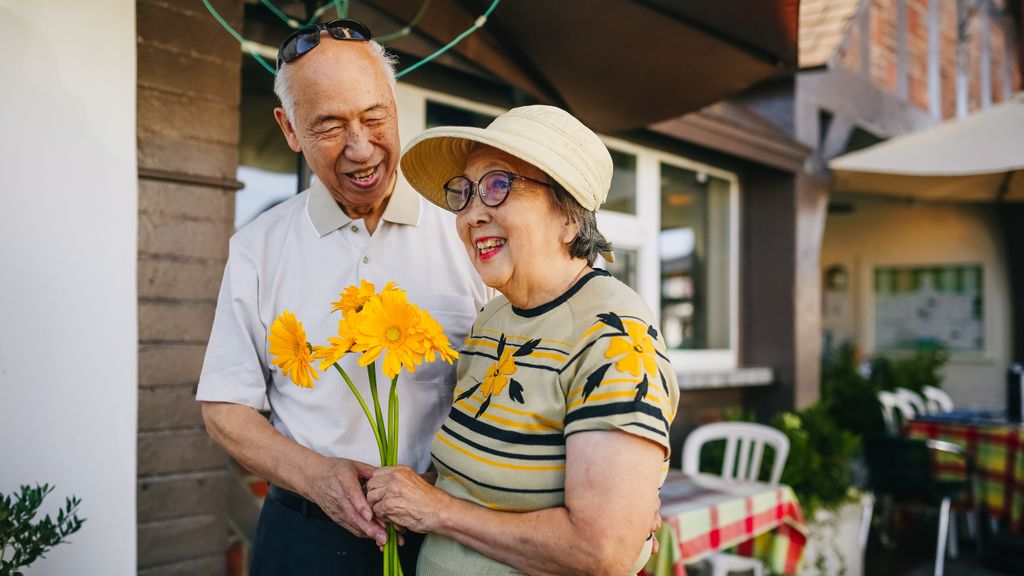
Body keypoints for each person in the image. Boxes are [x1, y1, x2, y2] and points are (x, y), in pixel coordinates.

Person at [195, 19, 488, 575]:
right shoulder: (258, 247)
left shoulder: (467, 229)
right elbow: (224, 409)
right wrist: (316, 475)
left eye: (375, 117)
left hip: (448, 537)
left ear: (395, 105)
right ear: (289, 128)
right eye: (329, 126)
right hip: (304, 535)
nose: (361, 149)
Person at [366, 105, 680, 575]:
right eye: (465, 192)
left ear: (569, 218)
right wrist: (406, 489)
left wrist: (435, 510)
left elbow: (601, 552)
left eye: (498, 185)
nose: (472, 214)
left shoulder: (614, 335)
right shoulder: (493, 320)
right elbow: (483, 484)